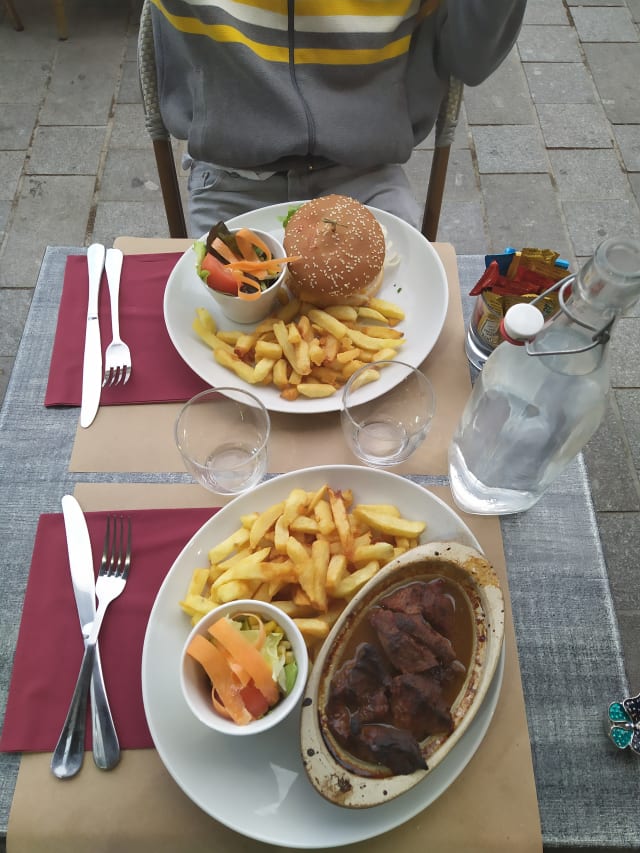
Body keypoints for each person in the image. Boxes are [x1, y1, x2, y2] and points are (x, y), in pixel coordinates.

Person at [149, 0, 527, 235]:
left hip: (368, 174)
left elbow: (471, 62)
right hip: (230, 182)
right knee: (219, 350)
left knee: (398, 346)